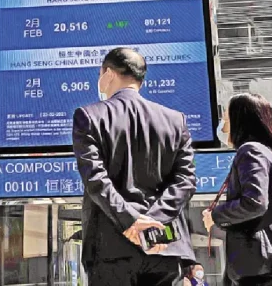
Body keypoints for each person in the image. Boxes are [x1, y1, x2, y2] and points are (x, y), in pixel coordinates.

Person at [72, 47, 196, 286]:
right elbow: (185, 181)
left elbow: (96, 179)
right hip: (164, 244)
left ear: (108, 73)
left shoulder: (89, 117)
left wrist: (133, 221)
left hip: (111, 246)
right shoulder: (174, 119)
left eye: (100, 73)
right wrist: (152, 221)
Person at [201, 93, 272, 286]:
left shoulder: (250, 151)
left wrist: (216, 215)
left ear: (240, 120)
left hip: (264, 266)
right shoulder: (266, 153)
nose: (222, 126)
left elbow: (255, 202)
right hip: (271, 264)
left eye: (226, 118)